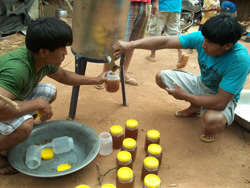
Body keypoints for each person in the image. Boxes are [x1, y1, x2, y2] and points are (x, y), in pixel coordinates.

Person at [112, 13, 250, 143]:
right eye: (204, 39)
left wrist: (185, 96)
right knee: (162, 77)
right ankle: (196, 107)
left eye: (210, 43)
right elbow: (165, 42)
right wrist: (131, 45)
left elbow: (220, 102)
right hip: (202, 84)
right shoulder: (203, 38)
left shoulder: (239, 60)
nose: (203, 45)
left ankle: (207, 114)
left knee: (213, 121)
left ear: (227, 46)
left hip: (222, 97)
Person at [0, 17, 108, 175]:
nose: (66, 53)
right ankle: (14, 134)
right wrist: (37, 103)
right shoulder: (17, 69)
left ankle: (16, 131)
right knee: (26, 125)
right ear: (44, 52)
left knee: (49, 91)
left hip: (11, 102)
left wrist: (96, 79)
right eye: (62, 49)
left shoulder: (40, 59)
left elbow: (64, 76)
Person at [95, 0, 159, 88]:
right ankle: (105, 74)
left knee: (133, 42)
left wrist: (156, 1)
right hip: (124, 3)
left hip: (146, 4)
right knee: (115, 39)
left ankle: (123, 74)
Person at [145, 0, 189, 69]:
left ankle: (152, 55)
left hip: (162, 5)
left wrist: (155, 2)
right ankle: (181, 53)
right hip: (176, 7)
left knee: (155, 31)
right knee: (174, 32)